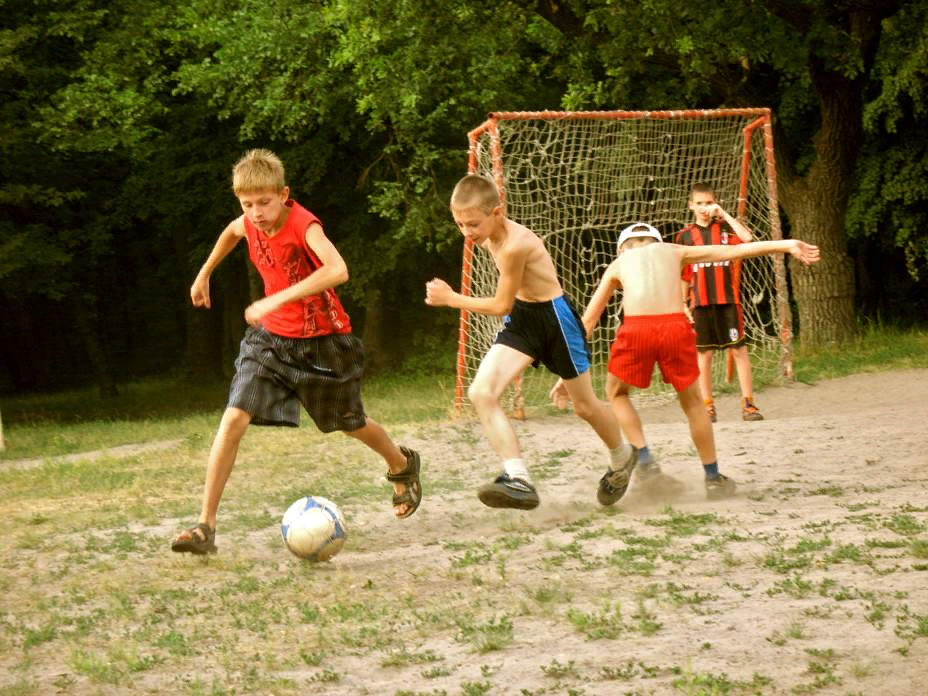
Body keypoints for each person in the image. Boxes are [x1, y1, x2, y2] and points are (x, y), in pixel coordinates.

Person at [171, 149, 422, 555]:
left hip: (323, 342)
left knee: (350, 422)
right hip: (271, 342)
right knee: (233, 417)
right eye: (247, 204)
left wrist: (274, 301)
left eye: (264, 203)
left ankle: (401, 464)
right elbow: (232, 232)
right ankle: (205, 527)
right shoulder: (249, 221)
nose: (255, 213)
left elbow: (337, 270)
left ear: (284, 194)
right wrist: (204, 274)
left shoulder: (304, 225)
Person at [425, 174, 638, 510]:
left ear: (497, 212)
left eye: (473, 224)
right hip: (524, 318)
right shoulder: (486, 236)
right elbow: (511, 306)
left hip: (556, 320)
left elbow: (499, 306)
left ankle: (623, 457)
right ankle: (518, 478)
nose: (467, 233)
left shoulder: (514, 245)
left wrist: (451, 298)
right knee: (481, 392)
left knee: (584, 406)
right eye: (460, 224)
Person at [563, 221, 819, 499]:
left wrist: (566, 373)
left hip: (636, 329)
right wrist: (787, 244)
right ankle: (712, 478)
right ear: (656, 241)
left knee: (617, 393)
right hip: (675, 326)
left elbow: (587, 321)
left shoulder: (619, 263)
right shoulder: (675, 250)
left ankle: (645, 461)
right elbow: (733, 253)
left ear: (622, 248)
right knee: (694, 403)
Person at [676, 183, 763, 423]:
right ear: (691, 205)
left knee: (739, 350)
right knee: (704, 355)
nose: (705, 208)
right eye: (700, 203)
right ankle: (708, 406)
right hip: (701, 304)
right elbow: (684, 274)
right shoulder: (685, 236)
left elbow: (747, 239)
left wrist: (724, 214)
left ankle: (748, 404)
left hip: (728, 302)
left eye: (709, 202)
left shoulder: (725, 228)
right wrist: (683, 303)